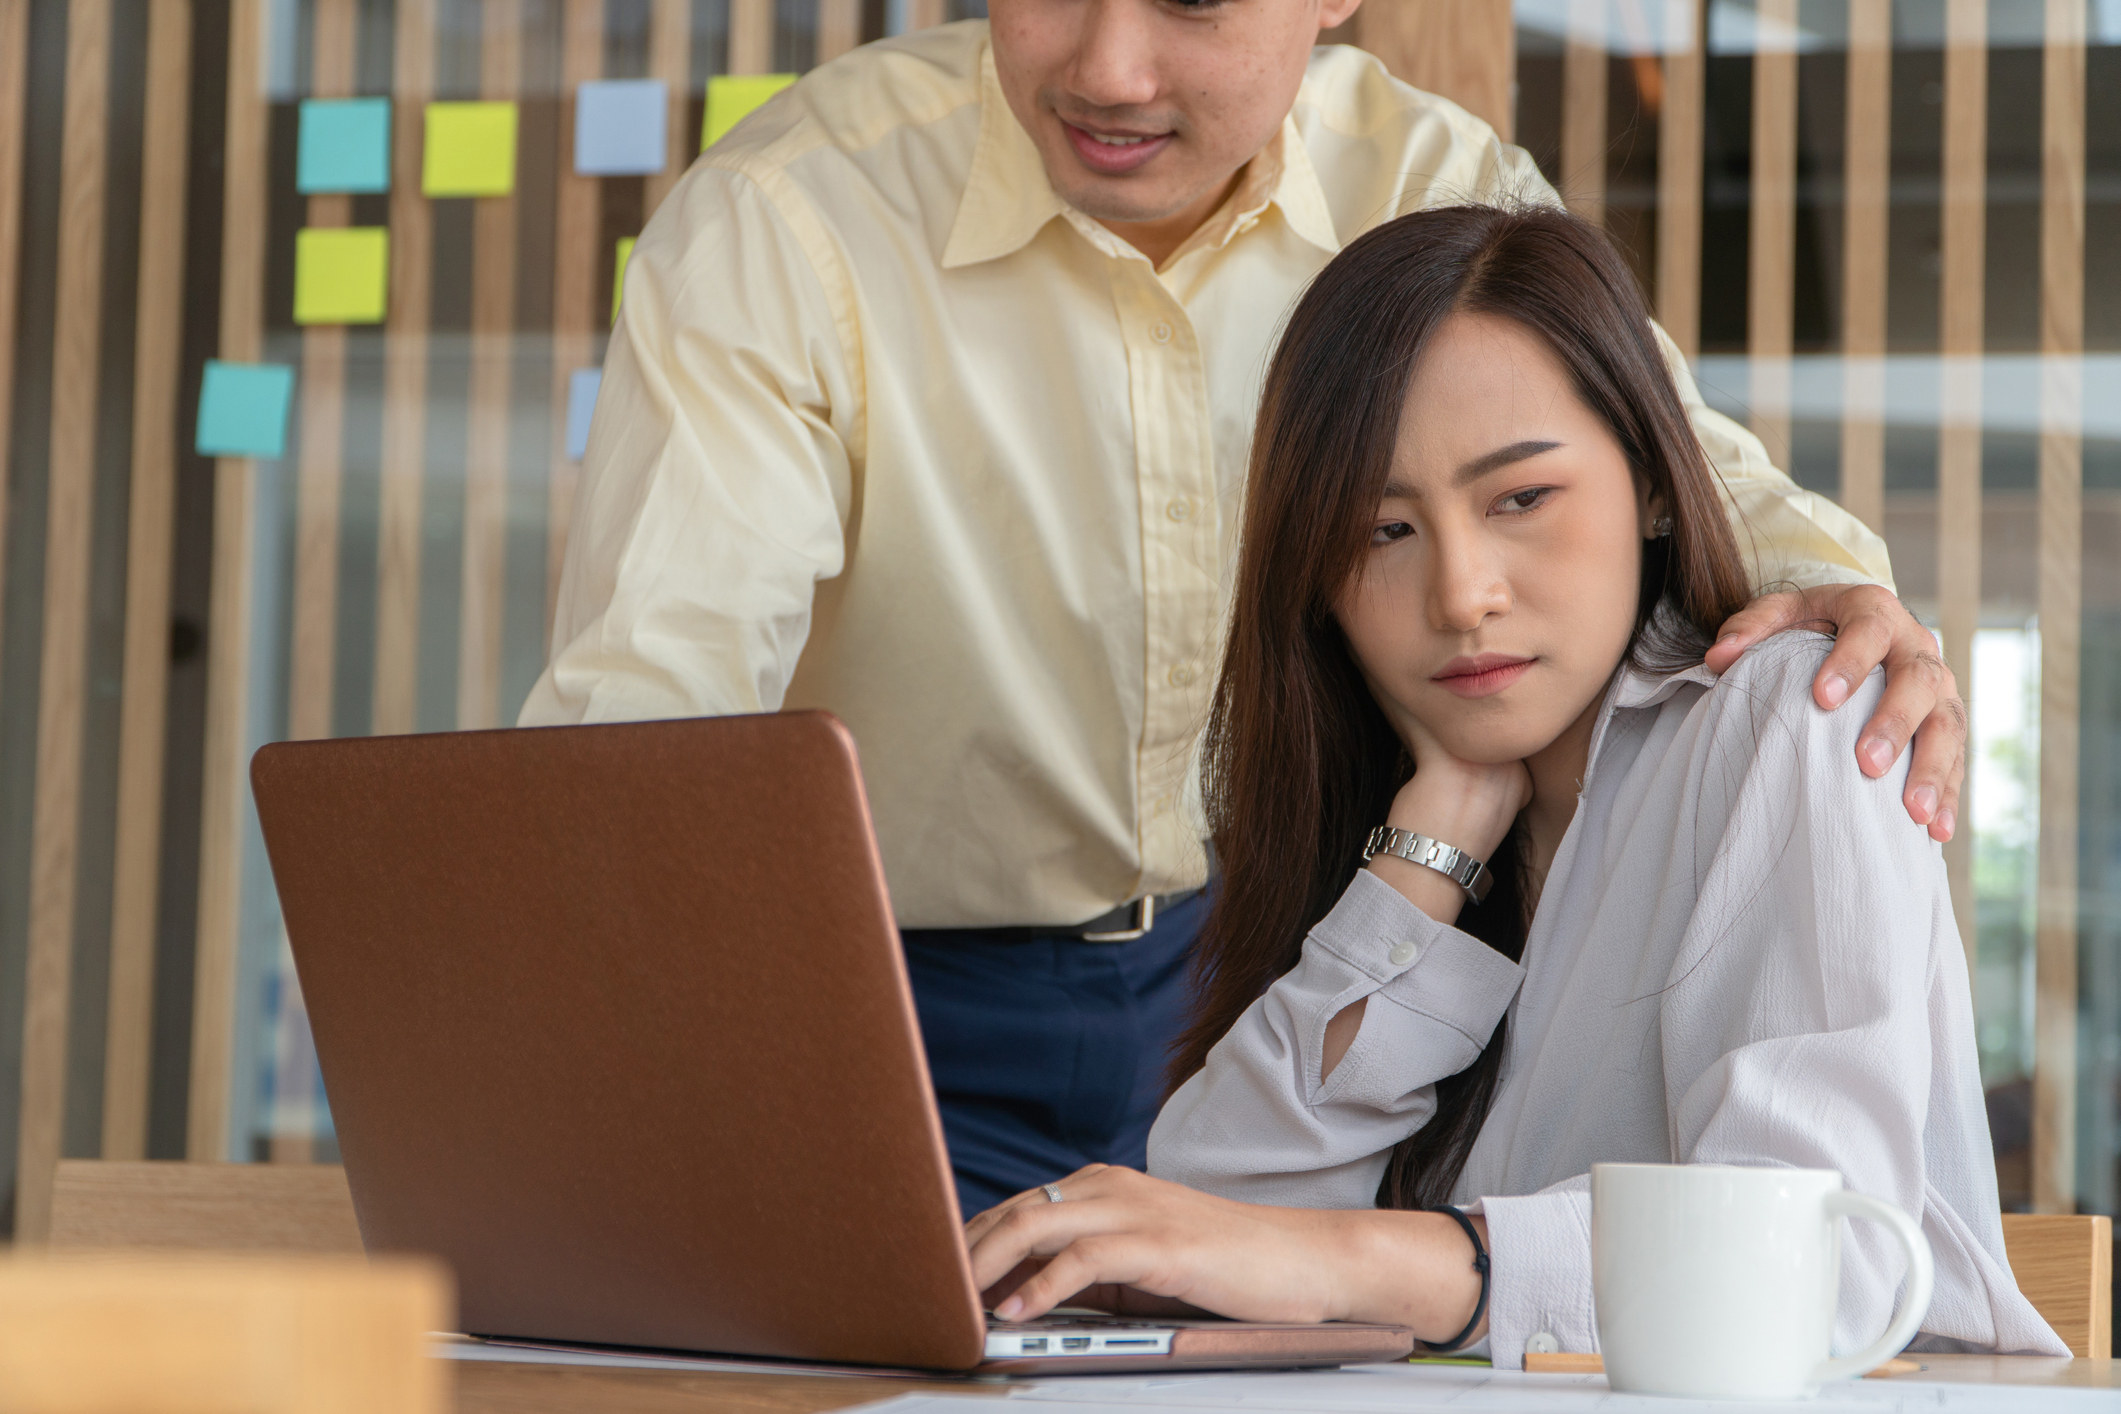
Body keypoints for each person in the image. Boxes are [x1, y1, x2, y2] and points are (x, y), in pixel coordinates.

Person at [521, 10, 1971, 1217]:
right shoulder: (793, 214)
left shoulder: (1427, 179)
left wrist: (1851, 613)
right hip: (896, 1006)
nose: (1106, 68)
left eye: (1194, 2)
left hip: (1288, 951)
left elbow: (1669, 460)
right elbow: (652, 725)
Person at [961, 203, 2065, 1366]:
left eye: (1521, 498)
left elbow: (1821, 1256)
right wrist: (1422, 862)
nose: (1460, 593)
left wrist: (1388, 1265)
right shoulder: (1413, 810)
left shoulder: (1795, 717)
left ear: (1648, 479)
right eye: (1383, 529)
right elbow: (1214, 1227)